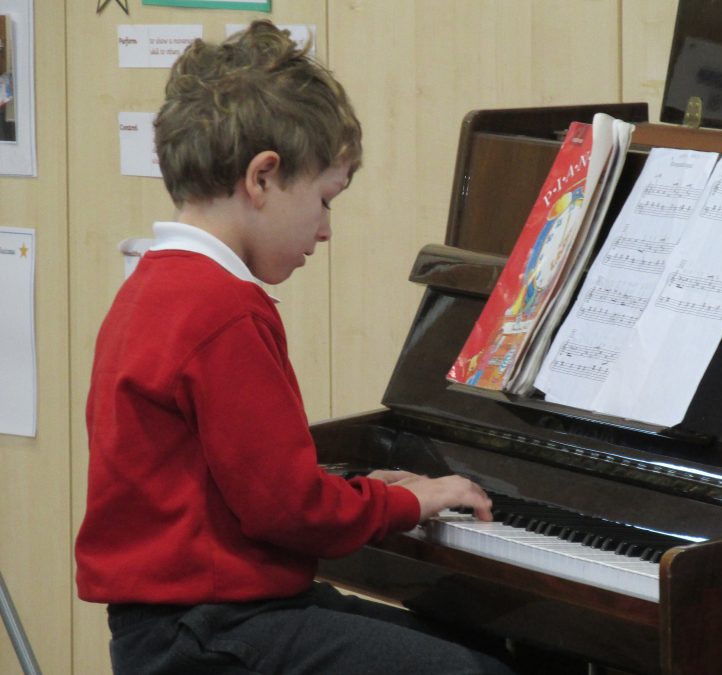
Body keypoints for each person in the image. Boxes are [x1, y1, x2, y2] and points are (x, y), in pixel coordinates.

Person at [74, 20, 515, 675]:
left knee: (476, 647)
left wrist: (360, 488)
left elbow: (246, 485)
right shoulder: (221, 308)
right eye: (324, 200)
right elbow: (290, 510)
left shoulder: (154, 286)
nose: (327, 229)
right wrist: (407, 501)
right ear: (262, 177)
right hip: (205, 634)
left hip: (184, 622)